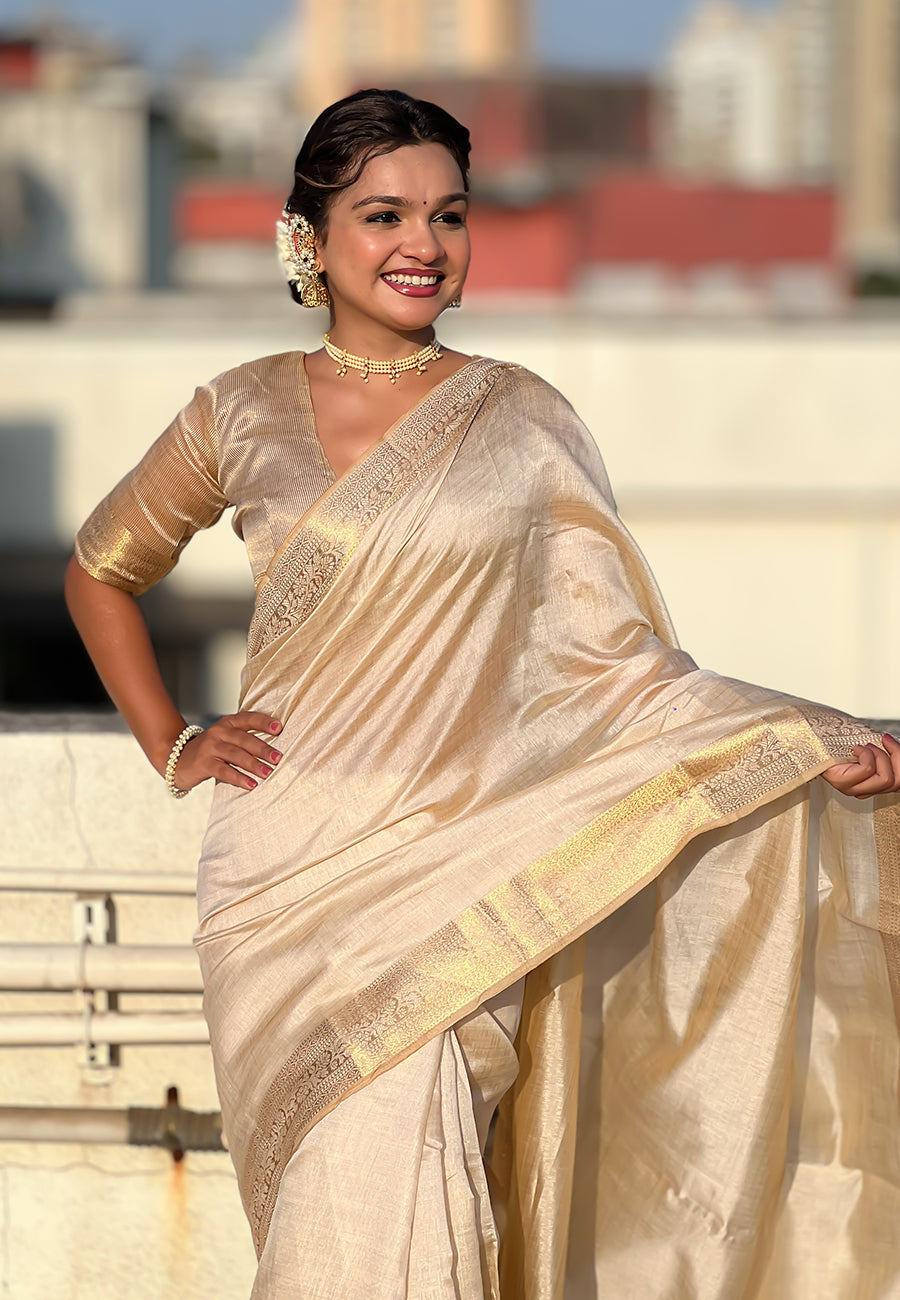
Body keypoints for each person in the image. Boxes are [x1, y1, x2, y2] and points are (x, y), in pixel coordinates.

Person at [66, 89, 900, 1299]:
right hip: (284, 872)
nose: (422, 243)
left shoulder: (522, 419)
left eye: (448, 214)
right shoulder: (239, 408)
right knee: (332, 1188)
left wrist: (798, 736)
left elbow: (614, 669)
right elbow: (101, 569)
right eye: (382, 214)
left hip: (461, 859)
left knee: (407, 1178)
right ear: (308, 234)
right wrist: (174, 737)